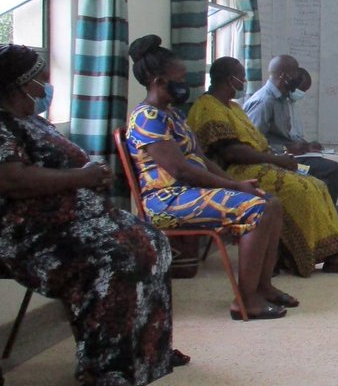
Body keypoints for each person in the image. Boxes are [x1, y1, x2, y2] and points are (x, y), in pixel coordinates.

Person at [0, 44, 182, 384]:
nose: (47, 85)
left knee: (154, 242)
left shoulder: (33, 121)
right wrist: (82, 177)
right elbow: (8, 178)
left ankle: (148, 350)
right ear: (22, 83)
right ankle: (105, 366)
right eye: (42, 78)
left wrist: (92, 172)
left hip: (77, 221)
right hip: (31, 234)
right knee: (117, 257)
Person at [125, 35, 293, 321]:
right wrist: (233, 186)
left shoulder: (173, 115)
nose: (185, 84)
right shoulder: (146, 117)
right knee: (259, 208)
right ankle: (245, 300)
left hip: (190, 193)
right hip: (166, 200)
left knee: (271, 202)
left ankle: (263, 286)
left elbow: (200, 160)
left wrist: (236, 184)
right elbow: (179, 170)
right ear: (157, 80)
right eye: (178, 78)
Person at [187, 57, 338, 275]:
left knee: (317, 185)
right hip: (234, 172)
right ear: (228, 79)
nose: (244, 80)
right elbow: (231, 151)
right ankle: (310, 254)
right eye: (241, 76)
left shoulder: (233, 107)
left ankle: (334, 251)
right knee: (299, 190)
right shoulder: (208, 108)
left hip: (259, 162)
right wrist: (278, 159)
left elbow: (257, 140)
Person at [244, 55, 338, 229]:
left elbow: (284, 135)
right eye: (295, 73)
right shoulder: (265, 101)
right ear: (284, 76)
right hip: (276, 159)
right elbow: (253, 142)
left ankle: (326, 220)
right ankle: (321, 223)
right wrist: (286, 148)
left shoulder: (282, 98)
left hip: (289, 154)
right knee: (332, 171)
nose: (298, 77)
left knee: (336, 169)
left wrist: (304, 145)